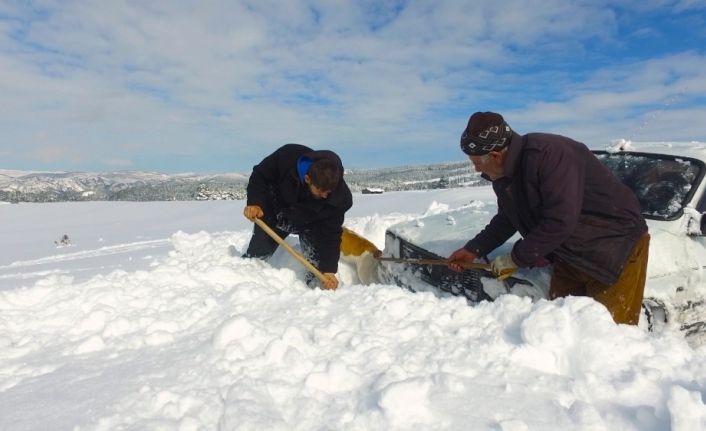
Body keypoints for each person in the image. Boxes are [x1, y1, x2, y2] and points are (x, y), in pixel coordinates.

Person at [447, 112, 650, 325]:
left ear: (496, 155)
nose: (476, 169)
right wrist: (473, 249)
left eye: (476, 162)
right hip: (569, 253)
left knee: (611, 334)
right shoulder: (503, 175)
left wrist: (515, 259)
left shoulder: (550, 154)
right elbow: (508, 217)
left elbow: (559, 220)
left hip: (613, 248)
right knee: (560, 328)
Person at [243, 143, 353, 290]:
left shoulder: (340, 198)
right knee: (256, 258)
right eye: (320, 191)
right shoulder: (287, 157)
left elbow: (331, 234)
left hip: (312, 223)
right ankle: (245, 284)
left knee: (318, 269)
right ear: (307, 179)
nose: (325, 195)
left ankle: (309, 292)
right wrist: (255, 203)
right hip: (276, 213)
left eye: (329, 191)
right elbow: (260, 176)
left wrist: (329, 270)